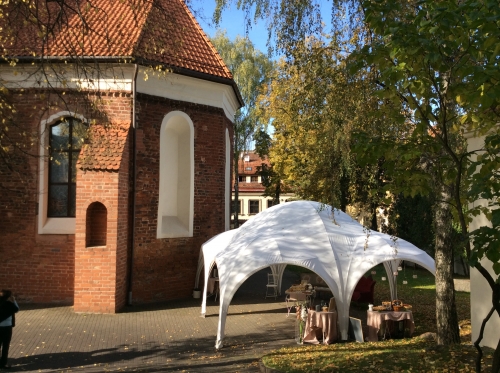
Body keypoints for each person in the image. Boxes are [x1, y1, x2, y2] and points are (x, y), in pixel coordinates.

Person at [0, 290, 19, 370]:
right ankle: (3, 363)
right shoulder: (10, 304)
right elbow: (17, 309)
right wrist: (13, 301)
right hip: (7, 327)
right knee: (5, 346)